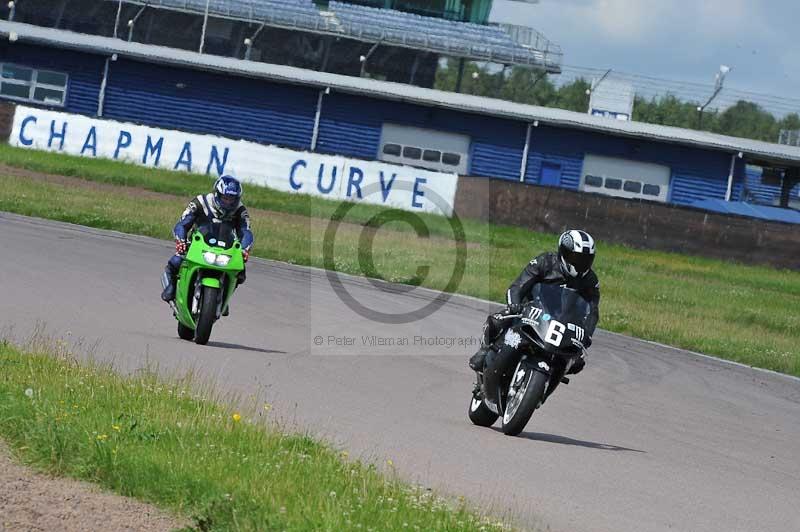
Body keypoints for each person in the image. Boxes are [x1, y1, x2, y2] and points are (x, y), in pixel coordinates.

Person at [469, 229, 600, 375]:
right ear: (563, 252)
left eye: (585, 259)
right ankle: (485, 349)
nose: (580, 263)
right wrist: (514, 305)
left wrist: (587, 335)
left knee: (577, 362)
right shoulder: (545, 261)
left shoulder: (590, 280)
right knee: (497, 320)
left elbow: (592, 311)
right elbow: (518, 286)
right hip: (531, 310)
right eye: (576, 258)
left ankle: (550, 380)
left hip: (562, 322)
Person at [160, 175, 254, 304]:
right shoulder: (201, 202)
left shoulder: (240, 211)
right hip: (198, 244)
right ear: (217, 194)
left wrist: (244, 249)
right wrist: (181, 240)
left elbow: (246, 232)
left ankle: (224, 299)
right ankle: (172, 286)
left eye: (232, 199)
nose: (228, 203)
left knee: (240, 272)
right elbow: (182, 224)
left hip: (226, 248)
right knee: (176, 261)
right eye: (225, 198)